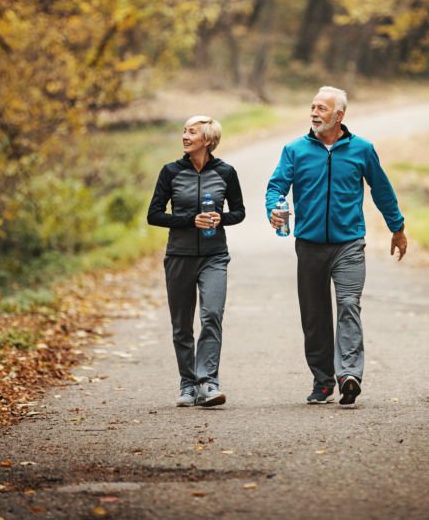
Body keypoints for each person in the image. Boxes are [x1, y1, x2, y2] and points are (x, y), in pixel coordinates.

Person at [266, 86, 407, 406]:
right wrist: (274, 208)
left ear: (339, 116)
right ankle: (323, 380)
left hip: (349, 244)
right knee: (314, 316)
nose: (314, 113)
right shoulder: (295, 150)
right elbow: (276, 187)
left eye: (322, 109)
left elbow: (381, 190)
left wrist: (396, 227)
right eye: (312, 107)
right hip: (309, 244)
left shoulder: (362, 150)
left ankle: (350, 375)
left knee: (348, 304)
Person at [148, 115, 245, 407]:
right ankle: (187, 384)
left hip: (214, 256)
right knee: (181, 325)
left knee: (212, 315)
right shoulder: (170, 172)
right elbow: (154, 215)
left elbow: (239, 212)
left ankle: (208, 383)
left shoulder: (226, 172)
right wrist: (191, 220)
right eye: (184, 132)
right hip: (179, 256)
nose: (185, 136)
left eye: (192, 132)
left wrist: (221, 217)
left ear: (208, 139)